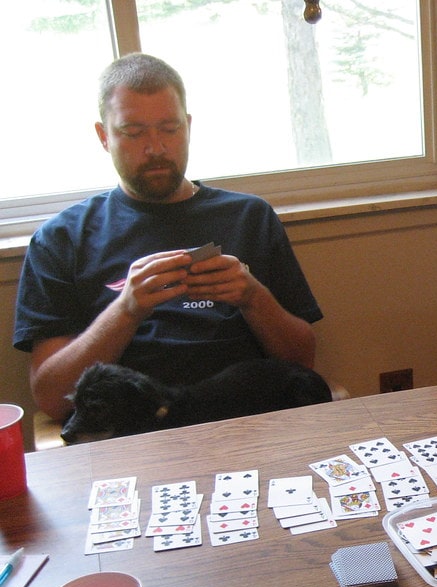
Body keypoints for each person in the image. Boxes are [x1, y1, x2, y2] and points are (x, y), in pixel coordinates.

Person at [14, 53, 323, 422]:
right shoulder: (61, 239)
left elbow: (302, 360)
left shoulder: (250, 217)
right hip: (131, 431)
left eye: (169, 128)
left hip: (250, 418)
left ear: (188, 126)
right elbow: (51, 397)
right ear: (103, 136)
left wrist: (252, 297)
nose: (155, 148)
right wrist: (127, 309)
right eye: (133, 132)